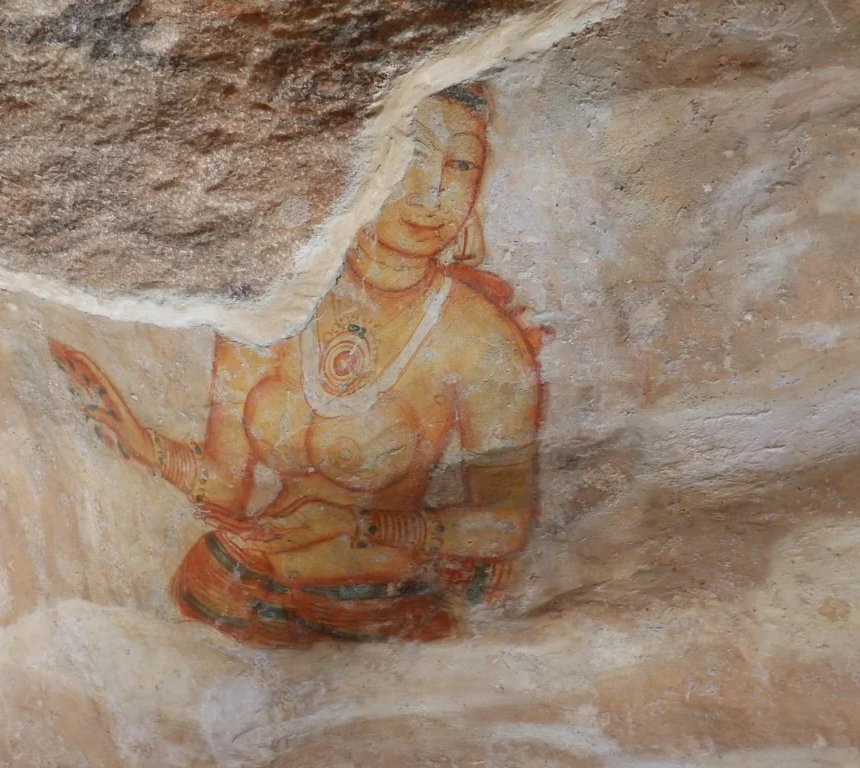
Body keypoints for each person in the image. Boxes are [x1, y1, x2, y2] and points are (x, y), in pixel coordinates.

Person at [50, 82, 544, 647]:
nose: (433, 193)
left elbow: (505, 524)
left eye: (460, 165)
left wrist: (362, 527)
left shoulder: (480, 339)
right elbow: (226, 485)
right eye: (410, 158)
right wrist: (143, 446)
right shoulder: (273, 303)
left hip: (379, 613)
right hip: (223, 586)